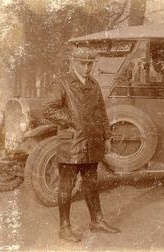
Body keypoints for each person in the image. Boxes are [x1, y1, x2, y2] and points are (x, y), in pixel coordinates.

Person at [43, 46, 119, 243]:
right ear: (73, 62)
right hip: (71, 144)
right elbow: (49, 109)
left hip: (92, 143)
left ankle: (97, 221)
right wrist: (71, 119)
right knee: (66, 186)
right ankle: (64, 228)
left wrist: (107, 137)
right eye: (82, 64)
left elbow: (102, 113)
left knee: (91, 184)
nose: (86, 68)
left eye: (90, 64)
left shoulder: (94, 84)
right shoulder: (61, 83)